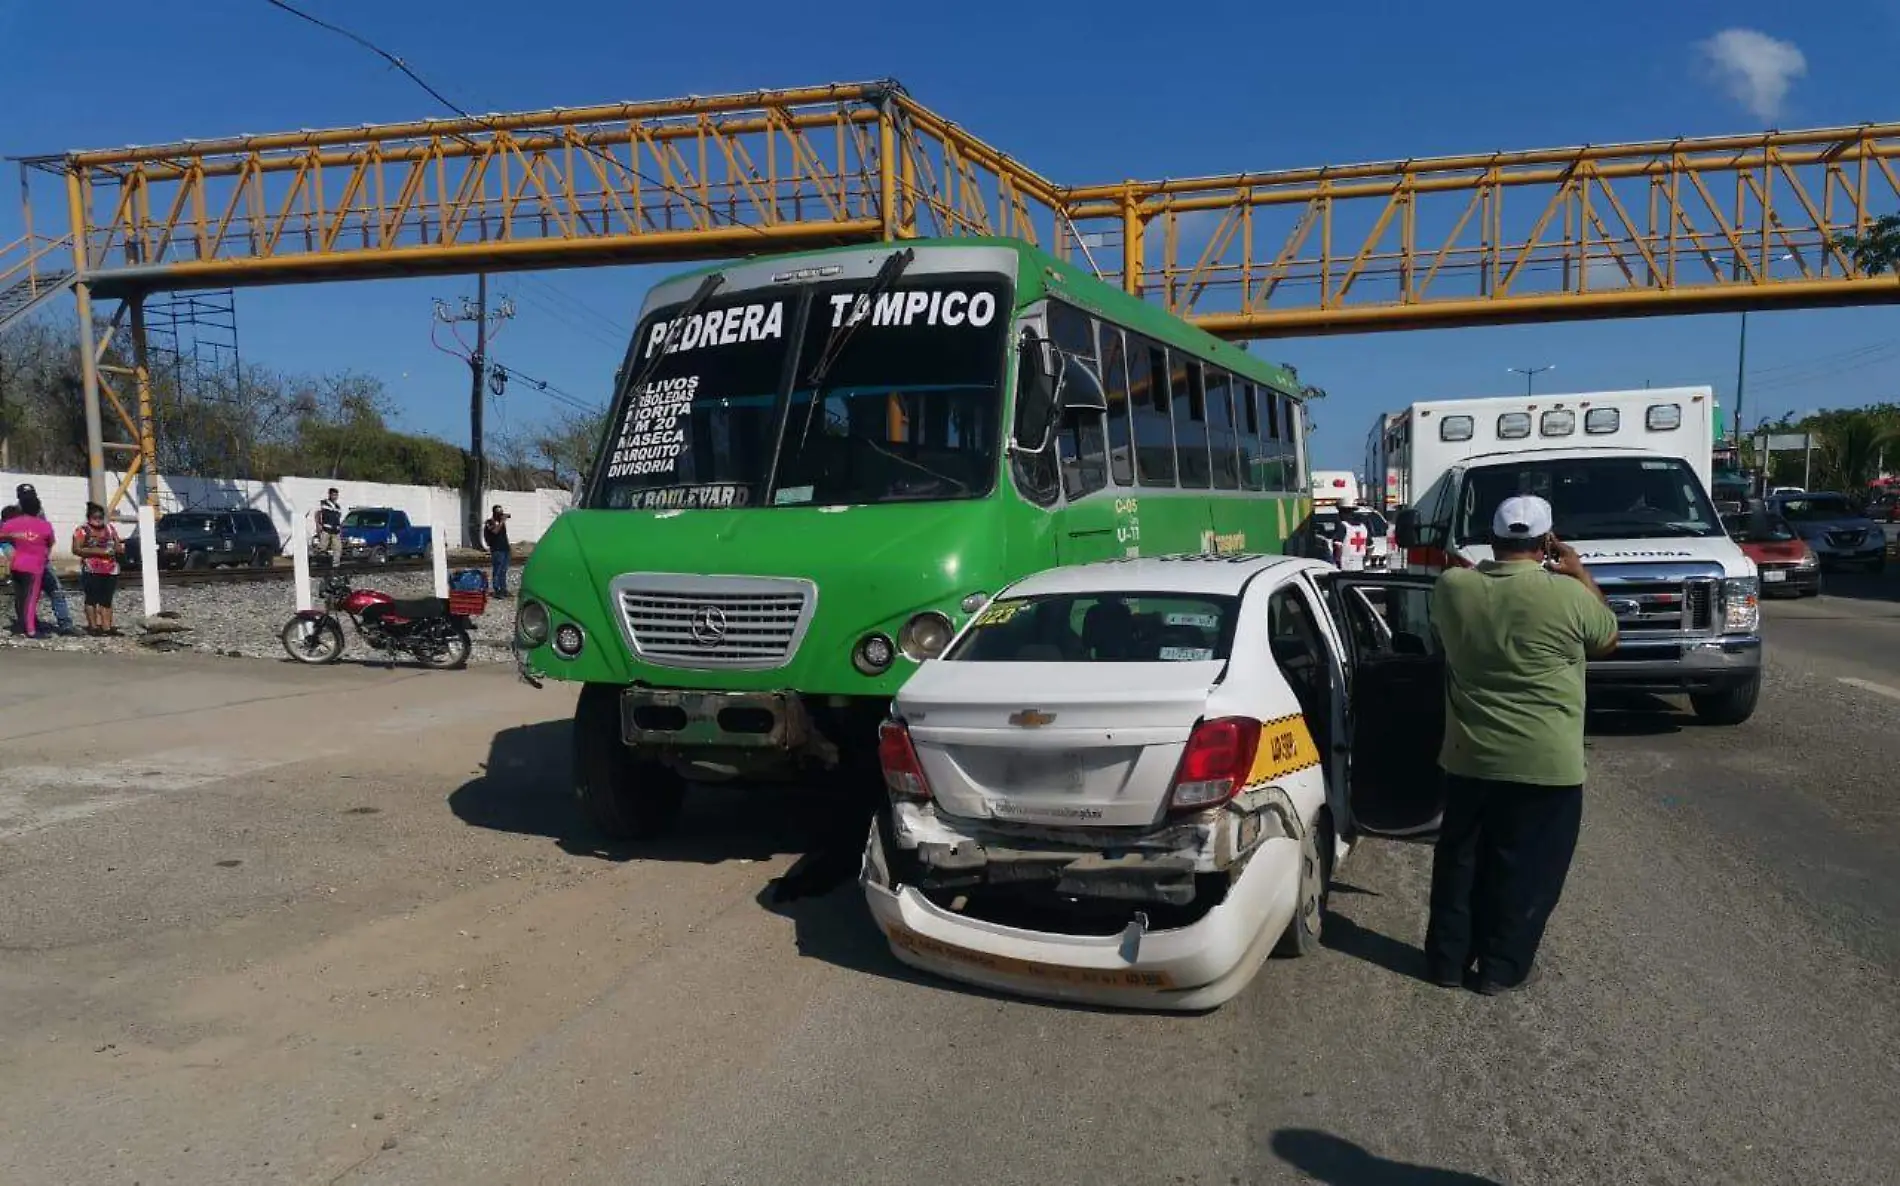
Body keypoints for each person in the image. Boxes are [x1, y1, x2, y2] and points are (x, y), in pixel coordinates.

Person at [1423, 494, 1619, 995]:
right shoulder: (1570, 596)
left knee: (1460, 862)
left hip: (1469, 758)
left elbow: (1440, 633)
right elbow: (1607, 638)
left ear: (1493, 538)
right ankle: (1499, 969)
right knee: (1528, 871)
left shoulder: (1452, 587)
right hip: (1545, 766)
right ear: (1546, 541)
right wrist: (1579, 573)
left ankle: (1446, 963)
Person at [14, 483, 75, 635]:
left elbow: (48, 536)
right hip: (25, 562)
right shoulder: (15, 515)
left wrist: (45, 552)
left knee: (55, 590)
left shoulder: (39, 511)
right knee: (26, 595)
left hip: (41, 561)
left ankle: (65, 624)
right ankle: (30, 624)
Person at [1, 490, 57, 638]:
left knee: (20, 596)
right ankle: (31, 630)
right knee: (32, 598)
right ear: (38, 509)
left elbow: (2, 537)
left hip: (16, 564)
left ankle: (20, 626)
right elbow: (50, 542)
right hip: (34, 566)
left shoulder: (11, 524)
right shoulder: (45, 526)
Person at [72, 501, 125, 636]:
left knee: (107, 599)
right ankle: (93, 626)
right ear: (89, 518)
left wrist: (119, 550)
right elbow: (76, 549)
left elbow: (118, 544)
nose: (98, 521)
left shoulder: (110, 529)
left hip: (110, 568)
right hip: (92, 568)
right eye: (95, 518)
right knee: (92, 598)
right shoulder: (82, 530)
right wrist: (97, 552)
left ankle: (107, 626)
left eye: (100, 517)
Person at [483, 505, 512, 597]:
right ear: (494, 513)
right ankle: (497, 590)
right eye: (499, 513)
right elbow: (495, 531)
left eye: (501, 513)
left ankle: (503, 589)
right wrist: (502, 521)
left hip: (505, 548)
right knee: (497, 570)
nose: (501, 515)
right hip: (496, 550)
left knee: (504, 570)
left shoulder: (501, 522)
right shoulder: (489, 522)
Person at [316, 488, 343, 563]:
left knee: (338, 548)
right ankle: (319, 563)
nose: (335, 497)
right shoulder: (323, 503)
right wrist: (318, 525)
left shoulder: (337, 507)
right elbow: (317, 514)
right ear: (330, 495)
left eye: (336, 495)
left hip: (336, 531)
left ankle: (335, 566)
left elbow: (338, 518)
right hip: (326, 530)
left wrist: (340, 529)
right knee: (322, 547)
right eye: (333, 495)